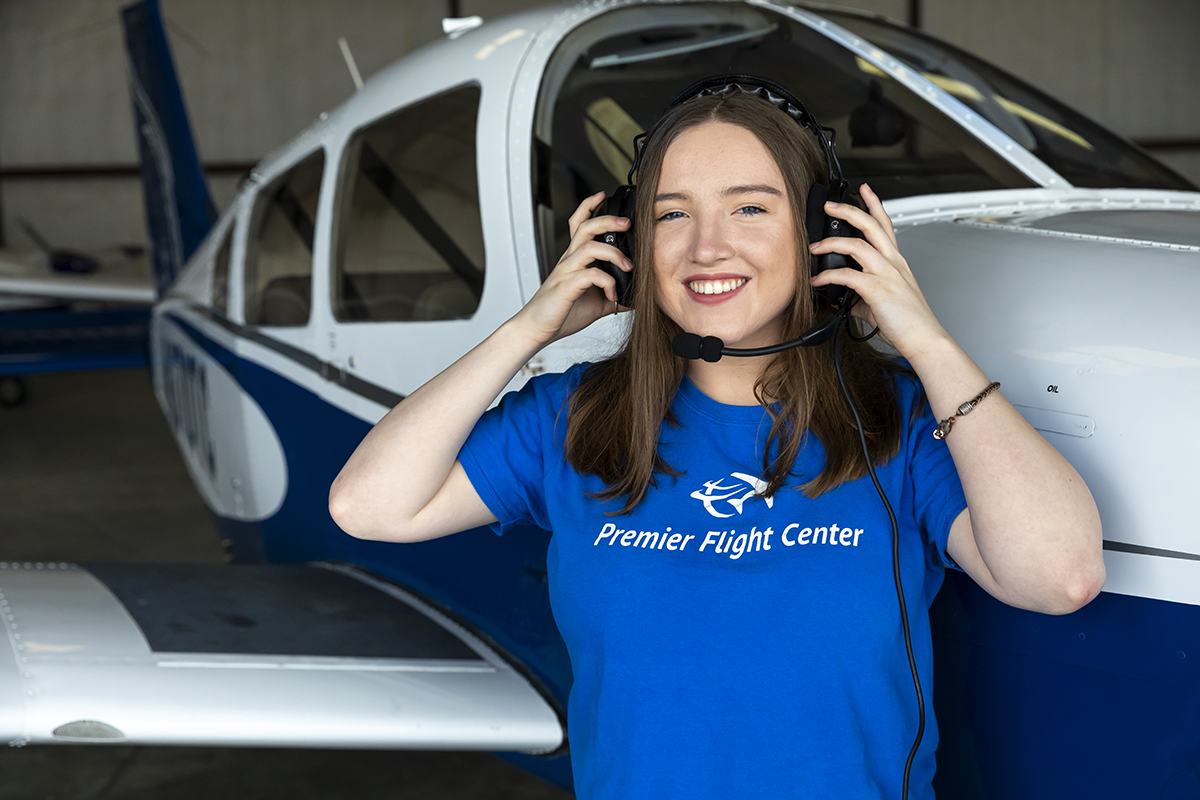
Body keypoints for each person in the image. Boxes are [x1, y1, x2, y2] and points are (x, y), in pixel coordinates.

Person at [328, 82, 1104, 800]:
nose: (706, 248)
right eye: (672, 214)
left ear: (822, 236)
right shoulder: (573, 419)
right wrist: (531, 326)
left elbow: (1058, 577)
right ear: (633, 246)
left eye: (749, 209)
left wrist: (922, 337)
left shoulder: (894, 419)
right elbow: (369, 506)